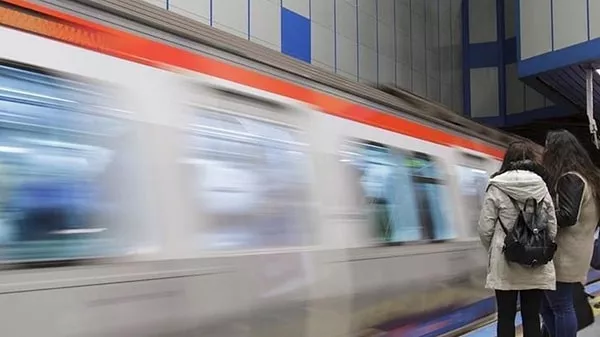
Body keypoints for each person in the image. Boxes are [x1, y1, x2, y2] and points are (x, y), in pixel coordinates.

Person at [478, 141, 557, 337]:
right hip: (535, 263)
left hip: (505, 263)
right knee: (531, 316)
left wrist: (498, 248)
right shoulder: (542, 186)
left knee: (506, 316)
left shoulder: (496, 185)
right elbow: (552, 227)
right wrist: (536, 246)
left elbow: (485, 228)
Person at [541, 130, 600, 337]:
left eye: (548, 147)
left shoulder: (570, 179)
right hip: (577, 251)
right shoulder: (590, 179)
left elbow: (567, 216)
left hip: (564, 254)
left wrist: (540, 217)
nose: (545, 151)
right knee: (548, 305)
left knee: (560, 306)